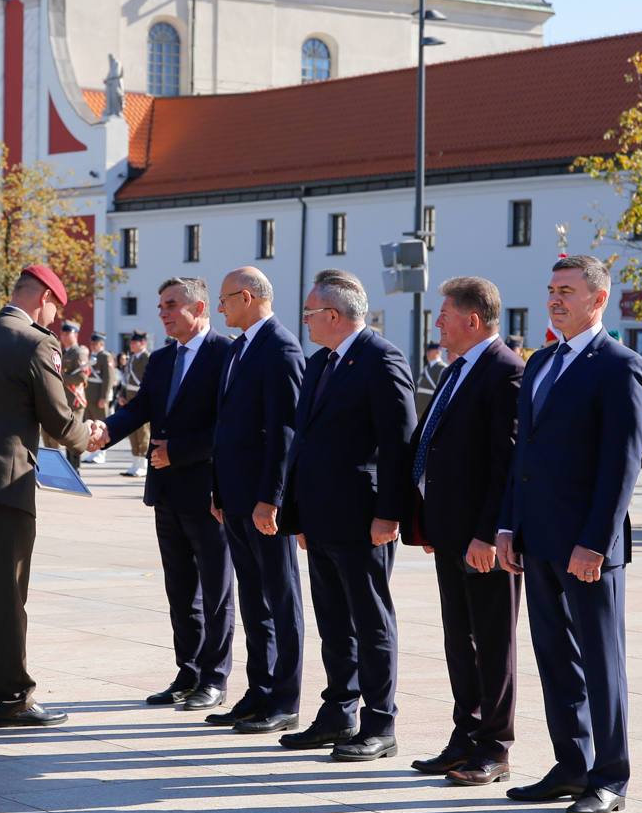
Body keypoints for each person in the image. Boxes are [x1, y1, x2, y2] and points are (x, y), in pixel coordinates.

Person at [496, 255, 642, 813]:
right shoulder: (539, 364)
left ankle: (610, 777)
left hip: (587, 545)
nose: (556, 299)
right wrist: (509, 525)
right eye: (551, 290)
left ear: (598, 298)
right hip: (536, 538)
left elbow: (621, 465)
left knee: (601, 662)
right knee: (555, 656)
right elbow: (524, 455)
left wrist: (597, 542)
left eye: (567, 291)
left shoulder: (620, 366)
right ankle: (572, 763)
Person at [0, 265, 101, 728]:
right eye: (56, 308)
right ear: (44, 297)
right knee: (6, 594)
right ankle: (13, 699)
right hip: (3, 486)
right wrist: (91, 434)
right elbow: (60, 421)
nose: (55, 318)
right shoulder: (36, 342)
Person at [277, 269, 415, 762]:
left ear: (333, 315)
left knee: (370, 621)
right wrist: (298, 515)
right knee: (334, 620)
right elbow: (305, 441)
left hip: (363, 518)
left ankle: (380, 723)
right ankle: (338, 712)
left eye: (311, 314)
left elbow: (400, 445)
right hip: (321, 516)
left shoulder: (381, 359)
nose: (306, 323)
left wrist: (389, 514)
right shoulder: (319, 362)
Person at [403, 277, 525, 785]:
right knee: (461, 640)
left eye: (444, 314)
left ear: (472, 320)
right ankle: (464, 736)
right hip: (449, 533)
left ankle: (494, 747)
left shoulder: (505, 373)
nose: (437, 323)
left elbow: (507, 464)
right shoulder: (459, 370)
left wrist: (487, 533)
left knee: (493, 643)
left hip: (482, 540)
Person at [98, 277, 235, 711]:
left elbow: (232, 426)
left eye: (172, 305)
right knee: (181, 591)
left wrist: (177, 451)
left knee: (215, 591)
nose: (163, 313)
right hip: (166, 492)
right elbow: (141, 409)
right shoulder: (160, 360)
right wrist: (104, 431)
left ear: (199, 307)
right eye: (160, 305)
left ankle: (215, 676)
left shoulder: (226, 355)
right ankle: (188, 671)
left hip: (209, 491)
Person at [207, 267, 306, 733]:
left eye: (225, 299)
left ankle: (284, 699)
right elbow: (226, 428)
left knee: (281, 599)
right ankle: (259, 690)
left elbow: (285, 432)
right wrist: (220, 491)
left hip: (264, 503)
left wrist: (272, 499)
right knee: (253, 599)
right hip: (236, 498)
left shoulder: (281, 347)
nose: (219, 308)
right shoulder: (238, 348)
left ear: (247, 297)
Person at [43, 321, 89, 472]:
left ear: (75, 334)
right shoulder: (64, 352)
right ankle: (63, 466)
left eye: (67, 333)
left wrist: (59, 378)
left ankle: (74, 468)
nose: (63, 336)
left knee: (73, 436)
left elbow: (82, 376)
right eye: (62, 333)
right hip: (64, 399)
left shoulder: (78, 353)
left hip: (74, 399)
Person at [119, 331, 151, 477]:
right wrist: (122, 395)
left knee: (143, 431)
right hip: (131, 397)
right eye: (131, 342)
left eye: (134, 342)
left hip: (142, 398)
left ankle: (143, 463)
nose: (131, 345)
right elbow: (126, 380)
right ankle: (135, 461)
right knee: (132, 431)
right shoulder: (131, 359)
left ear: (142, 343)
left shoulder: (148, 358)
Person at [82, 331, 117, 464]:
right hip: (89, 396)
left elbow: (108, 379)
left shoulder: (105, 357)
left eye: (95, 343)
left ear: (102, 344)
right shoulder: (92, 357)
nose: (92, 345)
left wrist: (104, 397)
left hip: (98, 397)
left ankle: (101, 453)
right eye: (91, 343)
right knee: (92, 426)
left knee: (101, 425)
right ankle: (94, 451)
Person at [415, 342, 449, 417]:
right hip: (420, 410)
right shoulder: (427, 367)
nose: (427, 353)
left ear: (438, 351)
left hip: (431, 411)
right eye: (427, 351)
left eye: (430, 350)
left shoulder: (443, 369)